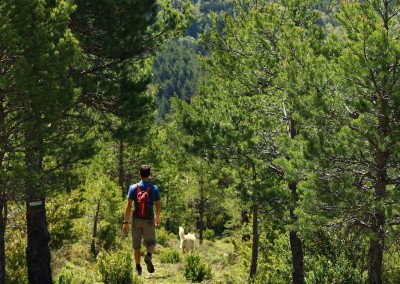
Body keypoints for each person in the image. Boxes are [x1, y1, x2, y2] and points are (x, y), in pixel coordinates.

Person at [122, 164, 161, 275]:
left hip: (136, 220)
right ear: (150, 174)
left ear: (139, 174)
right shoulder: (154, 188)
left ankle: (138, 268)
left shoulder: (133, 188)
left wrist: (125, 222)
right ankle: (148, 256)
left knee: (136, 245)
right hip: (149, 220)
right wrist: (157, 217)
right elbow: (158, 205)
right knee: (151, 242)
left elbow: (128, 206)